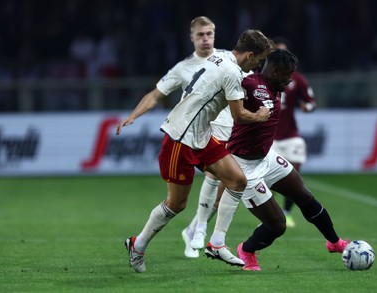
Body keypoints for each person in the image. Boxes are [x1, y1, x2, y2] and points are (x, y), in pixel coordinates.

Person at [116, 23, 272, 273]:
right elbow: (240, 115)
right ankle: (138, 244)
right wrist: (261, 116)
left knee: (237, 180)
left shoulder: (218, 56)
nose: (256, 67)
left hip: (202, 136)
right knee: (176, 205)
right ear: (249, 55)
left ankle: (217, 242)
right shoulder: (232, 72)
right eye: (258, 61)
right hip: (181, 139)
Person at [205, 49, 349, 271]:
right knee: (278, 225)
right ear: (274, 70)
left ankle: (335, 242)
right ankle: (247, 250)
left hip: (267, 158)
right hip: (244, 167)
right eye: (287, 74)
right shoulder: (249, 84)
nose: (290, 79)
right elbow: (225, 91)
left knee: (305, 196)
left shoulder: (276, 85)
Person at [271, 37, 317, 228]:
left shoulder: (296, 79)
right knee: (265, 178)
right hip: (269, 135)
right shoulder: (262, 77)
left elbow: (311, 102)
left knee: (294, 175)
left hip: (290, 134)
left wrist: (308, 107)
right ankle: (270, 213)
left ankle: (287, 212)